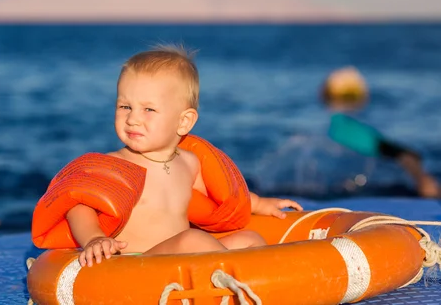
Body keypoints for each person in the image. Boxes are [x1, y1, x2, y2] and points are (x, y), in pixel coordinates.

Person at [63, 45, 303, 267]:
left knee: (249, 239)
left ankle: (262, 288)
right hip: (138, 263)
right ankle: (236, 278)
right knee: (192, 239)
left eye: (148, 109)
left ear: (183, 121)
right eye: (125, 106)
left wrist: (259, 204)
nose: (133, 118)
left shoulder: (188, 163)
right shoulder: (115, 165)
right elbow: (79, 206)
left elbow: (217, 198)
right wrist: (94, 238)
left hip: (181, 257)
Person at [321, 66, 440, 198]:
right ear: (363, 97)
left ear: (323, 95)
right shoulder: (353, 129)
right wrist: (422, 179)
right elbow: (404, 155)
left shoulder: (329, 129)